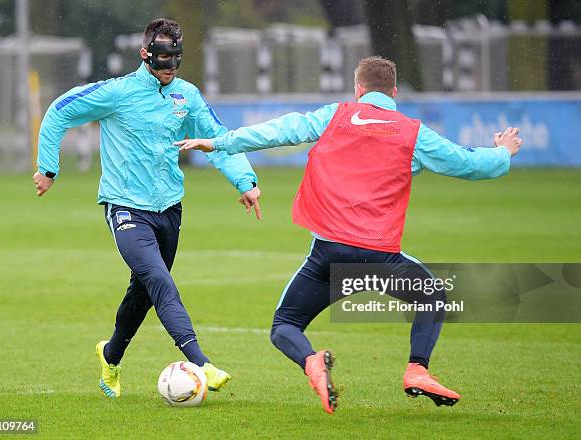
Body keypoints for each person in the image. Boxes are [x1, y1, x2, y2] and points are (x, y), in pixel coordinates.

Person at [176, 56, 522, 414]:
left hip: (330, 254)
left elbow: (279, 131)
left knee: (284, 327)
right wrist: (502, 153)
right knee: (432, 297)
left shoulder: (335, 116)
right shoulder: (412, 132)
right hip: (380, 257)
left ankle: (311, 361)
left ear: (358, 89)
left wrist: (219, 144)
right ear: (395, 92)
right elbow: (467, 164)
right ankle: (417, 369)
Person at [33, 18, 262, 399]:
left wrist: (245, 181)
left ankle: (110, 355)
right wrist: (48, 167)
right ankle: (200, 361)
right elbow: (59, 111)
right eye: (162, 62)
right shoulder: (118, 92)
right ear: (145, 55)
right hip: (124, 207)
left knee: (142, 293)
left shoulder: (186, 95)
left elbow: (218, 138)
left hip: (169, 209)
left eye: (175, 62)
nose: (169, 70)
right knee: (159, 279)